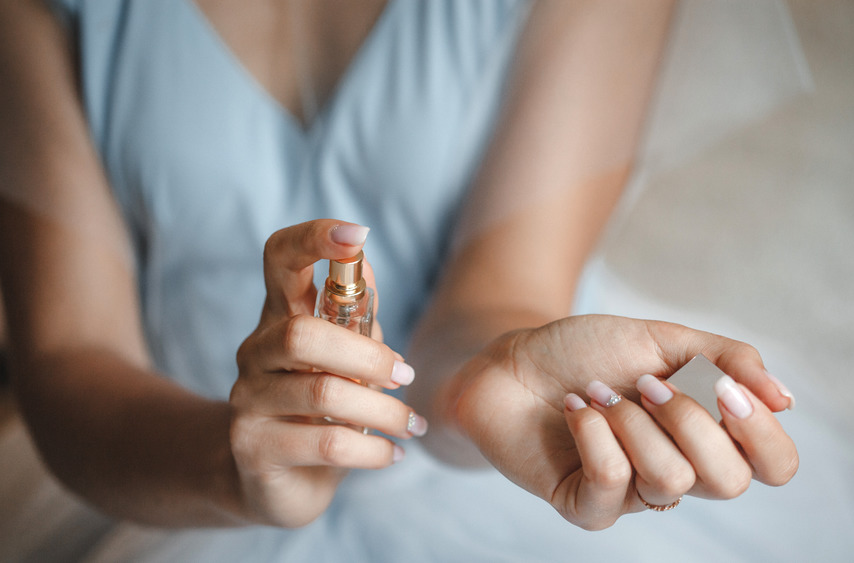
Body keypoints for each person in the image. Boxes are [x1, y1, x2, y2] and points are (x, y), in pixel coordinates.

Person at [0, 0, 799, 559]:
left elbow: (500, 290)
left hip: (472, 476)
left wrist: (488, 382)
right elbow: (70, 351)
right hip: (165, 460)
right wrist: (233, 462)